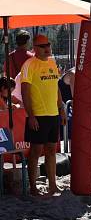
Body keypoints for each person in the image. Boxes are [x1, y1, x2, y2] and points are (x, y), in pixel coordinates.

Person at [19, 35, 67, 196]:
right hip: (38, 115)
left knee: (51, 150)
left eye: (48, 44)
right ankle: (33, 187)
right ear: (35, 48)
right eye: (42, 46)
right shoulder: (29, 65)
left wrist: (61, 109)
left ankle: (52, 184)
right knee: (35, 151)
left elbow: (57, 89)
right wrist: (31, 115)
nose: (47, 48)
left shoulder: (52, 63)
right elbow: (25, 92)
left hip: (53, 113)